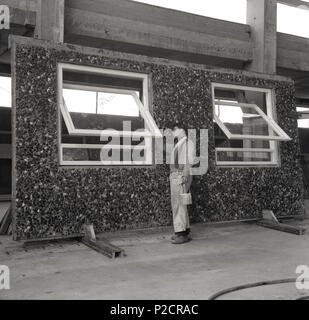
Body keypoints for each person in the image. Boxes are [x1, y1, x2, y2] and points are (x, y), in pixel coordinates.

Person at [169, 124, 196, 244]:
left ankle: (181, 234)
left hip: (180, 175)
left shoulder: (187, 143)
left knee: (179, 204)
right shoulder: (180, 143)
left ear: (182, 130)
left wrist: (184, 176)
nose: (173, 132)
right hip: (176, 175)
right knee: (178, 204)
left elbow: (189, 161)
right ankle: (184, 231)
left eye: (175, 130)